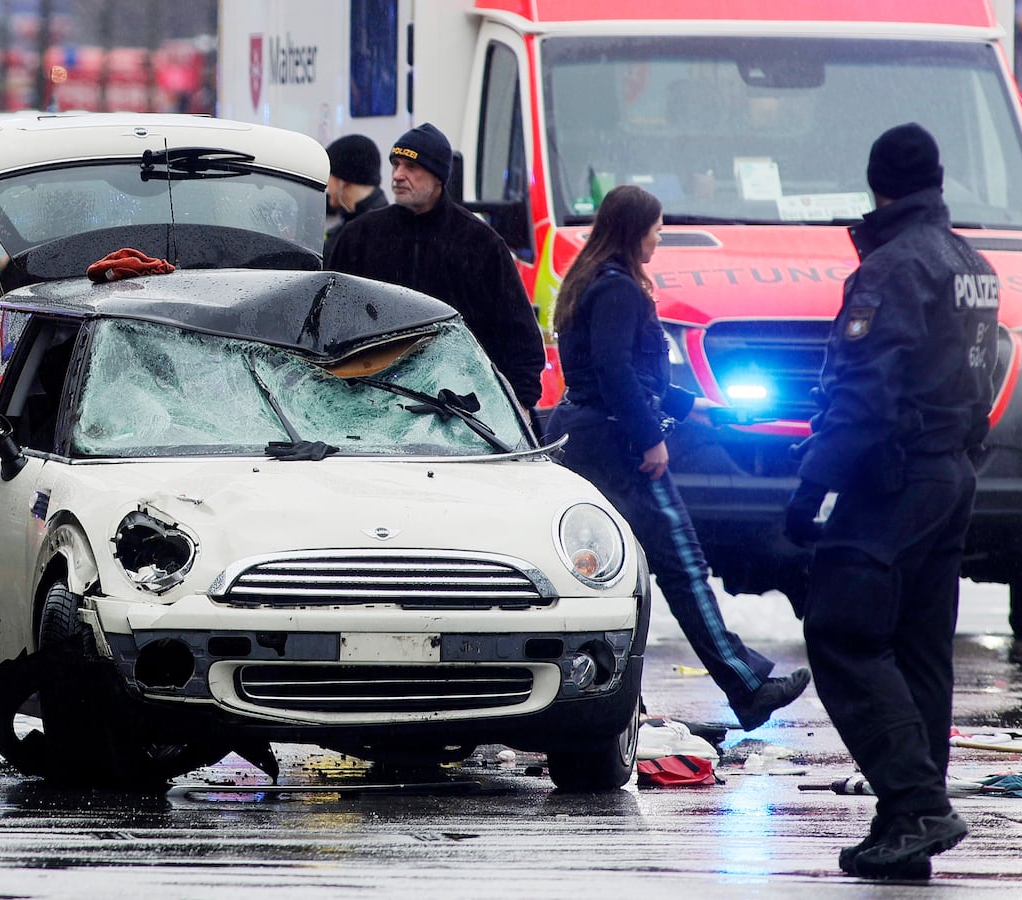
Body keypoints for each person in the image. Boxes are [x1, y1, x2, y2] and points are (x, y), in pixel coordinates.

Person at [784, 123, 999, 880]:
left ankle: (915, 806)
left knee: (841, 628)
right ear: (937, 182)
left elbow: (862, 396)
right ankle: (906, 820)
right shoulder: (972, 264)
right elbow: (989, 374)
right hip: (949, 474)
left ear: (877, 185)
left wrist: (813, 488)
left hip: (892, 477)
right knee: (919, 650)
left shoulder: (892, 269)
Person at [544, 183, 812, 733]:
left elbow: (626, 375)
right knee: (684, 568)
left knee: (606, 576)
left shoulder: (590, 282)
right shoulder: (619, 290)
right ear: (634, 228)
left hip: (587, 437)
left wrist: (700, 410)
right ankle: (749, 686)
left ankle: (593, 698)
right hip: (619, 446)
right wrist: (650, 439)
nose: (660, 236)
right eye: (656, 226)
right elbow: (617, 374)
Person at [325, 123, 545, 411]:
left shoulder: (481, 244)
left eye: (411, 167)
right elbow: (328, 326)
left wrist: (519, 407)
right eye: (396, 164)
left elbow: (520, 340)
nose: (398, 175)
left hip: (460, 415)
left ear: (438, 176)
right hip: (371, 408)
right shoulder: (359, 238)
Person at [323, 134, 388, 259]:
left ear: (343, 180)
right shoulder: (377, 226)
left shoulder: (362, 234)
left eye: (329, 174)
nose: (326, 184)